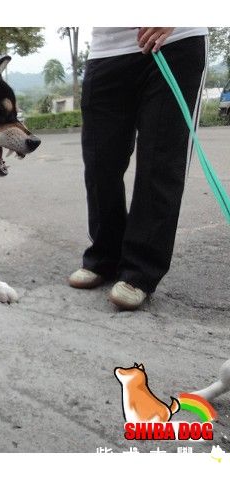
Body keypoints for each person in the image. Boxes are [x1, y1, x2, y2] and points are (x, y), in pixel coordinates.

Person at [68, 27, 208, 310]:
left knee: (160, 164)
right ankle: (105, 255)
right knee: (100, 162)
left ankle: (139, 271)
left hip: (174, 41)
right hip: (107, 49)